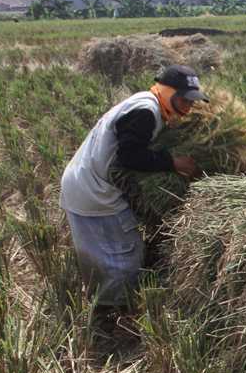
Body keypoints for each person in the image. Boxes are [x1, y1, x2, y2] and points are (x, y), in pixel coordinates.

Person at [60, 64, 208, 332]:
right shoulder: (146, 111)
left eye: (192, 102)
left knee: (107, 254)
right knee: (123, 256)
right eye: (184, 100)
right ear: (167, 91)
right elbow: (129, 156)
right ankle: (113, 322)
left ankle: (108, 308)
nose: (188, 107)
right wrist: (172, 162)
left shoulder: (148, 105)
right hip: (94, 192)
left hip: (86, 184)